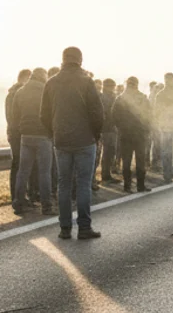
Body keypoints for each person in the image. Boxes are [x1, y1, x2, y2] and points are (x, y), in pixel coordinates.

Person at [41, 47, 103, 239]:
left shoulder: (51, 82)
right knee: (83, 184)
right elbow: (97, 113)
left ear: (63, 60)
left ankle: (65, 228)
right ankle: (84, 228)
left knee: (64, 185)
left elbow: (43, 115)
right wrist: (95, 135)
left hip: (61, 141)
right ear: (80, 60)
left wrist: (54, 134)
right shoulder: (86, 81)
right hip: (85, 140)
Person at [10, 67, 54, 215]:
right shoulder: (46, 91)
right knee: (44, 172)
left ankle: (18, 203)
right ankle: (46, 206)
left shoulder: (20, 91)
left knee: (23, 172)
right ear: (43, 77)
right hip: (43, 136)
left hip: (25, 136)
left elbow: (14, 116)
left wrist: (21, 129)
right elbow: (52, 114)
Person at [112, 76, 153, 193]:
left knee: (127, 161)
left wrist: (121, 128)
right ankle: (140, 186)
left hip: (126, 134)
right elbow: (149, 115)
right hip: (139, 134)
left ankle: (127, 186)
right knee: (140, 161)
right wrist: (147, 129)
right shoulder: (142, 98)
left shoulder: (120, 98)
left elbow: (114, 116)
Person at [6, 69, 31, 200]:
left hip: (16, 133)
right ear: (24, 78)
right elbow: (13, 117)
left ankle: (20, 195)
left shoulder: (13, 93)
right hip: (17, 135)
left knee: (20, 165)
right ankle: (18, 196)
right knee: (18, 165)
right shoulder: (16, 93)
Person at [98, 78, 119, 185]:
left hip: (108, 129)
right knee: (108, 153)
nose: (113, 88)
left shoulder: (104, 97)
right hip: (108, 129)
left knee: (109, 153)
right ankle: (106, 175)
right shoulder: (106, 98)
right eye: (112, 86)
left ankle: (106, 174)